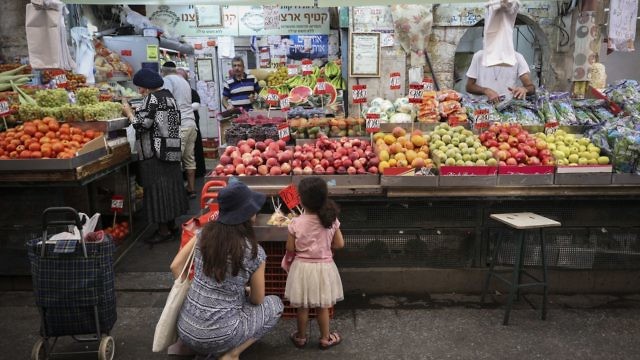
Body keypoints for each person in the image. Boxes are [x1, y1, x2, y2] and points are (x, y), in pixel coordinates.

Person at [172, 181, 283, 360]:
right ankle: (232, 354)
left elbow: (176, 265)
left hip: (186, 329)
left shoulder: (203, 234)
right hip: (221, 335)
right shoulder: (254, 252)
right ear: (247, 214)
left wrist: (199, 292)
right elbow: (257, 299)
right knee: (275, 304)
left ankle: (209, 350)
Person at [121, 68, 188, 244]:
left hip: (155, 154)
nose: (138, 91)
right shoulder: (168, 96)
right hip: (171, 150)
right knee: (171, 190)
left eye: (139, 87)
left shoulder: (151, 99)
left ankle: (163, 230)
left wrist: (129, 113)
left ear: (145, 87)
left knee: (157, 191)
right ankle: (172, 225)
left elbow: (142, 125)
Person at [285, 176, 345, 350]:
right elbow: (340, 244)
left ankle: (301, 337)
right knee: (323, 306)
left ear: (301, 200)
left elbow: (290, 247)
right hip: (324, 268)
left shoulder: (295, 222)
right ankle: (326, 338)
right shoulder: (331, 220)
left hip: (302, 268)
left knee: (302, 306)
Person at [161, 61, 198, 198]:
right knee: (189, 158)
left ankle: (175, 194)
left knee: (174, 161)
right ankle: (191, 189)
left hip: (179, 125)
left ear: (163, 71)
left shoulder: (167, 80)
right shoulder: (183, 80)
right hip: (191, 123)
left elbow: (167, 102)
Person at [465, 50, 535, 102]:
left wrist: (524, 89)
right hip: (481, 108)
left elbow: (531, 87)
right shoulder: (479, 56)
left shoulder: (517, 57)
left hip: (507, 108)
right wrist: (486, 90)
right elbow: (469, 87)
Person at [176, 68, 207, 178]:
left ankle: (198, 173)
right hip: (182, 124)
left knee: (193, 150)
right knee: (188, 155)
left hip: (191, 123)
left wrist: (182, 108)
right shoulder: (174, 92)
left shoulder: (191, 91)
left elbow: (197, 104)